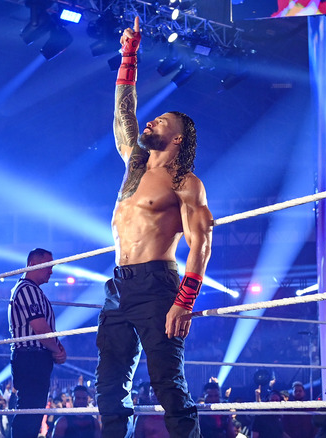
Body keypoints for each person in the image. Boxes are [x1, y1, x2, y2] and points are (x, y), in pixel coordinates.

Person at [94, 14, 213, 438]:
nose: (150, 123)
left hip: (157, 284)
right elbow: (122, 114)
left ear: (179, 138)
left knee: (167, 385)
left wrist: (184, 301)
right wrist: (129, 55)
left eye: (161, 122)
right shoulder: (134, 164)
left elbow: (201, 243)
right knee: (109, 387)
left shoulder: (185, 183)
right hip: (118, 285)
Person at [9, 248, 67, 438]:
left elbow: (44, 330)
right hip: (31, 357)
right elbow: (40, 329)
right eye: (48, 265)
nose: (51, 270)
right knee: (29, 411)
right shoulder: (27, 289)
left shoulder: (33, 291)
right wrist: (56, 350)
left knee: (33, 411)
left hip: (35, 357)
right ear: (33, 264)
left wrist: (56, 348)